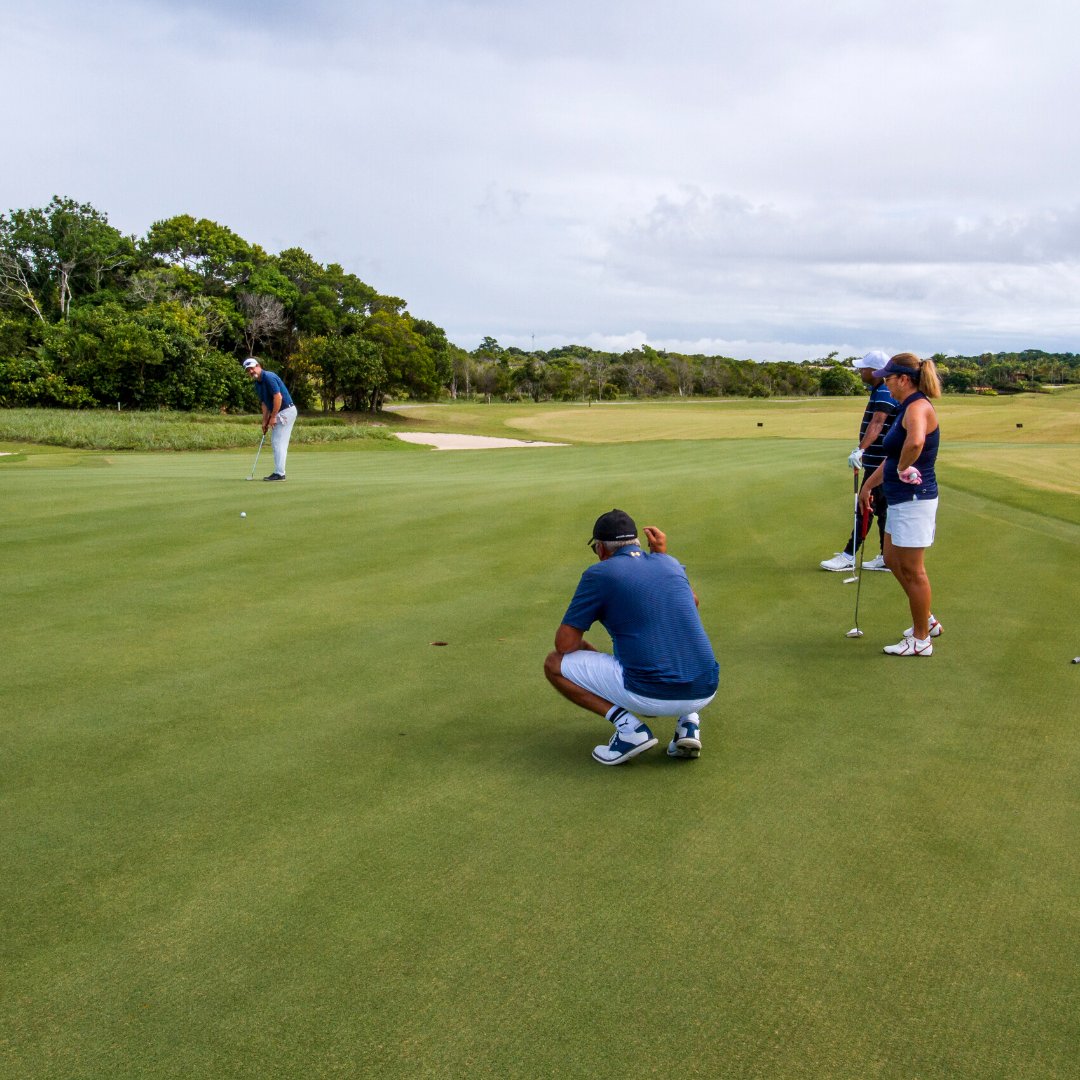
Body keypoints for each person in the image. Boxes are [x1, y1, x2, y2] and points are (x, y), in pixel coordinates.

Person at [544, 509, 720, 765]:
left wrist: (584, 645)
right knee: (676, 639)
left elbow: (564, 645)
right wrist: (661, 554)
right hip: (706, 689)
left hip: (649, 693)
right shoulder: (669, 562)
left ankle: (629, 730)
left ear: (601, 549)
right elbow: (691, 602)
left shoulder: (599, 574)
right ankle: (689, 724)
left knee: (554, 664)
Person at [859, 353, 944, 656]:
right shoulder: (905, 406)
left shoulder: (917, 408)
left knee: (913, 569)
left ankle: (921, 640)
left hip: (914, 499)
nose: (885, 382)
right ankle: (928, 620)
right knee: (893, 559)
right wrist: (869, 485)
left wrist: (905, 468)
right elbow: (894, 455)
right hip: (898, 497)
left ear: (904, 379)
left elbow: (915, 443)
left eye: (889, 378)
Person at [820, 350, 898, 573]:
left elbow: (878, 422)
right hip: (879, 462)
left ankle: (848, 556)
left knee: (866, 507)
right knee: (881, 510)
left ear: (874, 371)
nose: (860, 370)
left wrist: (860, 450)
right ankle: (886, 557)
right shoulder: (879, 390)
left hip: (879, 464)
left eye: (863, 367)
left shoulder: (883, 391)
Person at [243, 358, 297, 481]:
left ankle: (280, 473)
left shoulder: (268, 377)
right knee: (277, 442)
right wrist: (264, 421)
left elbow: (278, 397)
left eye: (252, 368)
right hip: (281, 411)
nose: (251, 371)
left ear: (258, 366)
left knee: (278, 442)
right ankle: (279, 472)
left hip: (286, 411)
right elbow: (265, 404)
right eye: (248, 370)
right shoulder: (258, 383)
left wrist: (273, 417)